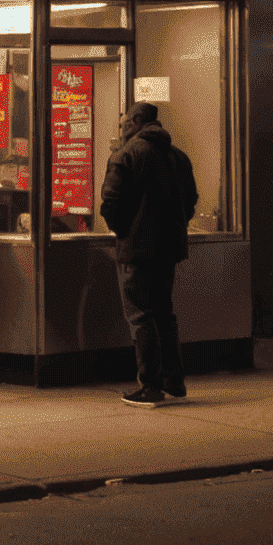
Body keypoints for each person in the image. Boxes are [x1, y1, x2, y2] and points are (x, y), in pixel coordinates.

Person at [100, 100, 199, 408]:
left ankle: (151, 384)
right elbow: (191, 200)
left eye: (124, 123)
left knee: (141, 316)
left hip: (137, 250)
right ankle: (174, 379)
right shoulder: (178, 157)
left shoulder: (126, 155)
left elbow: (111, 204)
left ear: (137, 122)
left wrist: (124, 231)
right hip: (168, 249)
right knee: (163, 314)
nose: (122, 128)